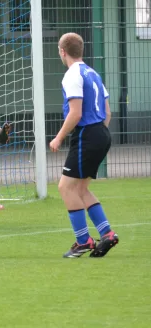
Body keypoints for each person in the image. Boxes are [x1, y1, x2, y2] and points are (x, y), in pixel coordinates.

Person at [50, 32, 118, 258]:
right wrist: (99, 133)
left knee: (65, 187)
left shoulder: (72, 74)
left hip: (87, 134)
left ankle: (83, 241)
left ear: (62, 51)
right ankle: (107, 233)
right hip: (101, 132)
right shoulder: (93, 73)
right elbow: (107, 112)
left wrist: (59, 137)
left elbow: (76, 113)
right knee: (80, 189)